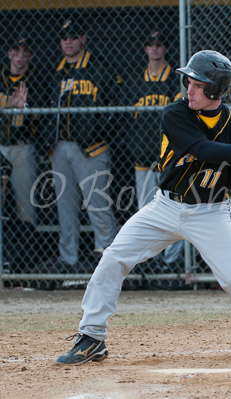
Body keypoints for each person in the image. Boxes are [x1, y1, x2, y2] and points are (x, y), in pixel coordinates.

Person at [55, 50, 231, 365]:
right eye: (188, 82)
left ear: (215, 89)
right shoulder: (177, 112)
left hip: (211, 212)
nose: (189, 89)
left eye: (197, 84)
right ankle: (91, 337)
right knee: (114, 257)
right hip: (165, 207)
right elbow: (202, 150)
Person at [41, 18, 121, 273]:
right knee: (66, 209)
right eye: (64, 37)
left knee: (98, 205)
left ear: (83, 39)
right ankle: (68, 260)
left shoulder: (99, 69)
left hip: (91, 149)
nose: (68, 42)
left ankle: (107, 258)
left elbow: (115, 109)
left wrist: (98, 134)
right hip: (59, 148)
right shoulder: (56, 71)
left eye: (73, 37)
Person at [124, 30, 184, 274]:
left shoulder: (175, 80)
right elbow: (127, 121)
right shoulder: (136, 81)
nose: (155, 49)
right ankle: (148, 263)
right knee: (146, 215)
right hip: (143, 158)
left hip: (169, 159)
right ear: (145, 48)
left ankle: (171, 264)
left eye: (160, 44)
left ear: (166, 48)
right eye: (151, 44)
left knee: (176, 211)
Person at [0, 34, 44, 271]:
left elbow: (39, 116)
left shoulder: (36, 78)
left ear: (30, 55)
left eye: (24, 52)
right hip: (0, 146)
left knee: (25, 206)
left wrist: (23, 107)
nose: (19, 57)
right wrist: (10, 104)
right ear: (9, 54)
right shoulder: (1, 77)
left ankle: (23, 262)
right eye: (15, 51)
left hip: (23, 146)